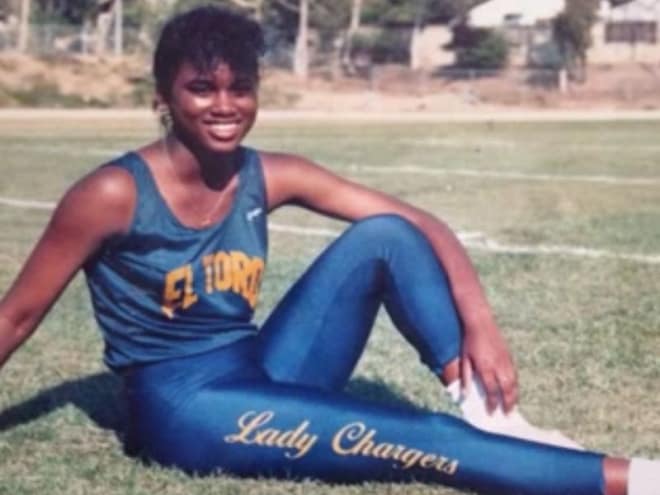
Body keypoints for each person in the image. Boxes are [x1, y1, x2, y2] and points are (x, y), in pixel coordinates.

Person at [0, 6, 657, 495]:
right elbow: (15, 318)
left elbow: (416, 219)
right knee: (421, 440)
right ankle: (642, 479)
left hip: (258, 369)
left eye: (240, 88)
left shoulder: (269, 171)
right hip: (184, 408)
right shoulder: (113, 191)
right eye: (202, 88)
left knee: (386, 236)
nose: (225, 106)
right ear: (164, 99)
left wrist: (479, 323)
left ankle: (496, 416)